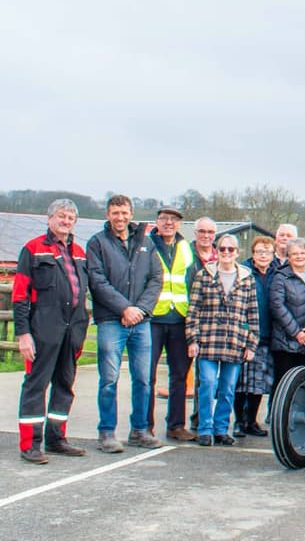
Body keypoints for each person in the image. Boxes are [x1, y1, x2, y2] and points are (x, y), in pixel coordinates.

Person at [14, 199, 90, 463]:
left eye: (70, 218)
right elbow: (20, 295)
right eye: (61, 216)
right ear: (49, 219)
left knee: (64, 385)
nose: (65, 221)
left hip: (72, 330)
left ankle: (57, 438)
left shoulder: (79, 252)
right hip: (43, 330)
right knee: (36, 385)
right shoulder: (33, 249)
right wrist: (23, 334)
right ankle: (30, 444)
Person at [87, 194, 164, 453]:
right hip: (111, 320)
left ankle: (140, 430)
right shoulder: (97, 243)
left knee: (143, 379)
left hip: (141, 322)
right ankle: (107, 432)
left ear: (131, 214)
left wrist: (140, 310)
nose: (120, 217)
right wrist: (124, 308)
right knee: (109, 379)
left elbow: (156, 278)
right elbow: (97, 281)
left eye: (124, 212)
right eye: (115, 213)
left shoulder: (145, 242)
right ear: (108, 215)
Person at [186, 234, 259, 447]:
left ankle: (221, 429)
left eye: (230, 249)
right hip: (208, 340)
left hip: (234, 342)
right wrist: (192, 339)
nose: (226, 253)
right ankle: (205, 428)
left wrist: (251, 344)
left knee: (228, 388)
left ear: (237, 252)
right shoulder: (204, 275)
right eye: (222, 249)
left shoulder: (247, 278)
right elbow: (193, 311)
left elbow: (253, 314)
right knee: (208, 384)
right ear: (216, 251)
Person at [147, 206, 196, 442]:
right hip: (153, 318)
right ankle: (144, 426)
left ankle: (176, 425)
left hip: (179, 317)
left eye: (174, 220)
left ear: (179, 224)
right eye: (164, 218)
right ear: (157, 222)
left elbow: (191, 280)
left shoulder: (185, 247)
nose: (169, 223)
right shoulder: (146, 246)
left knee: (179, 375)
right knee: (147, 375)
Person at [234, 236, 276, 437]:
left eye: (267, 252)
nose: (263, 256)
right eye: (259, 251)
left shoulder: (277, 274)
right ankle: (239, 421)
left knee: (258, 383)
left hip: (267, 335)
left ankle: (251, 420)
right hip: (246, 335)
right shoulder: (243, 272)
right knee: (241, 383)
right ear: (252, 253)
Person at [271, 238, 305, 401]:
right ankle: (276, 415)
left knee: (303, 384)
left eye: (302, 253)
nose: (299, 257)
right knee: (282, 385)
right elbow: (277, 306)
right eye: (294, 254)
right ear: (288, 257)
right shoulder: (281, 277)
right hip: (286, 342)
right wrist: (296, 333)